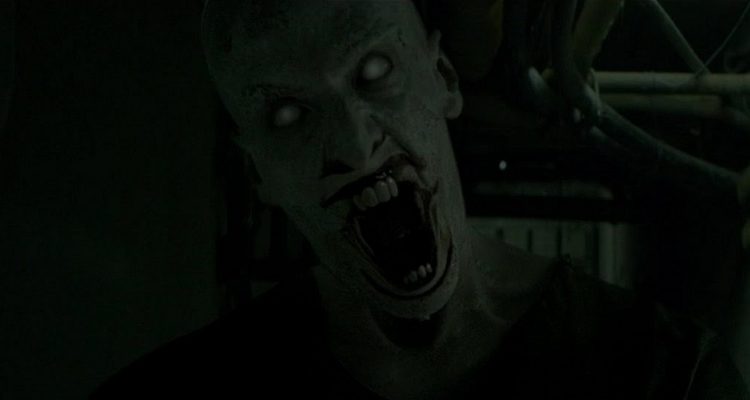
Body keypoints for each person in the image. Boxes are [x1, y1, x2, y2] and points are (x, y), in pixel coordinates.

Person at [92, 0, 750, 398]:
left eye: (374, 71)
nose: (355, 146)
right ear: (259, 172)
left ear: (443, 78)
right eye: (288, 115)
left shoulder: (665, 376)